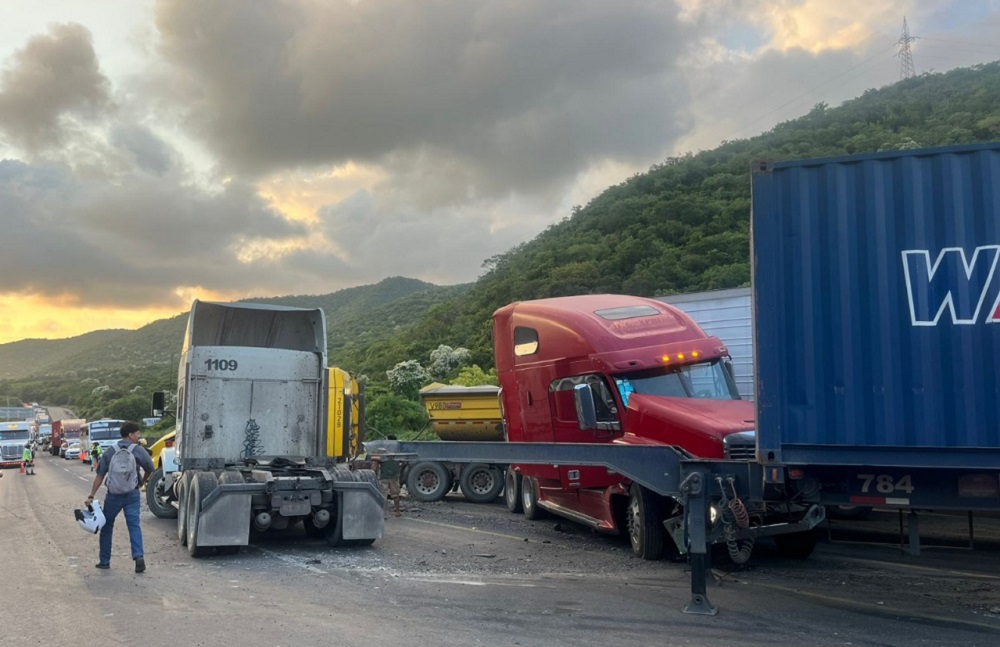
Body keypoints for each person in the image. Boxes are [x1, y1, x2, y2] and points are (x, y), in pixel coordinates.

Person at [85, 421, 154, 573]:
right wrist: (141, 481)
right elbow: (150, 468)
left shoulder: (110, 451)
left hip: (113, 495)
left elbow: (100, 475)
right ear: (130, 435)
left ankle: (104, 561)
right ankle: (138, 557)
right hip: (132, 494)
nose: (138, 436)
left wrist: (91, 495)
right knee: (134, 525)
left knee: (107, 526)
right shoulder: (138, 450)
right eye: (137, 433)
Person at [372, 435, 402, 518]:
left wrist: (372, 472)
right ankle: (398, 512)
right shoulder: (398, 451)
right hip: (395, 475)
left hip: (384, 475)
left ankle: (384, 513)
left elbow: (375, 463)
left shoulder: (382, 451)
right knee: (395, 494)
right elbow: (404, 462)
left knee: (383, 494)